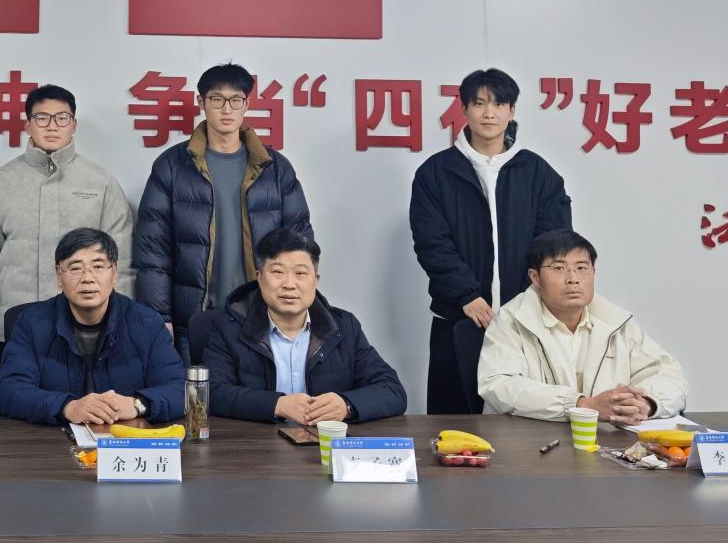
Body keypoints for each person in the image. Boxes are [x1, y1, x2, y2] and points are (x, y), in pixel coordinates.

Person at [409, 68, 572, 413]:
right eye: (479, 103)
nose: (489, 113)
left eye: (499, 104)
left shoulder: (537, 173)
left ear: (512, 111)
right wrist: (465, 294)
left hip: (524, 318)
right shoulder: (436, 172)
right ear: (464, 109)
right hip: (459, 316)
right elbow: (431, 242)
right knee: (453, 421)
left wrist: (530, 299)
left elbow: (554, 243)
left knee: (528, 417)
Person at [134, 63, 311, 363]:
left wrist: (292, 304)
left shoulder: (275, 168)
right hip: (193, 318)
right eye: (216, 99)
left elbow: (299, 242)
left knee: (258, 393)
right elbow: (153, 251)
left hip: (262, 314)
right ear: (201, 102)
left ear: (247, 104)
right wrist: (159, 316)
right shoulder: (172, 165)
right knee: (193, 393)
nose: (226, 109)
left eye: (235, 100)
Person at [0, 84, 134, 373]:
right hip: (14, 327)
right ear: (27, 124)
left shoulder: (100, 182)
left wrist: (119, 322)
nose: (52, 126)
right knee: (15, 398)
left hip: (87, 328)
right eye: (41, 118)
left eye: (62, 118)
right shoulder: (0, 182)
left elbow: (121, 261)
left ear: (74, 124)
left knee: (86, 400)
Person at [478, 229, 687, 422]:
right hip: (528, 441)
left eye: (581, 268)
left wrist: (645, 404)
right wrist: (581, 405)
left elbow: (669, 376)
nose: (573, 279)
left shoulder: (617, 323)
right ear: (535, 277)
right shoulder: (511, 320)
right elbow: (498, 385)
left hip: (605, 443)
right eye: (559, 268)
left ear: (593, 272)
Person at [205, 229, 406, 424]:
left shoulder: (344, 327)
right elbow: (210, 393)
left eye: (300, 273)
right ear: (259, 277)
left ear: (315, 280)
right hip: (256, 443)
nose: (289, 284)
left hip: (322, 440)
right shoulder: (229, 327)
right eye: (278, 272)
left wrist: (346, 405)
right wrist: (277, 405)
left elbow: (392, 390)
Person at [0, 228, 184, 425]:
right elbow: (9, 391)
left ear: (114, 273)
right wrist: (67, 407)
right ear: (59, 276)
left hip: (123, 438)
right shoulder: (31, 323)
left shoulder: (147, 323)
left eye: (98, 266)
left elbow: (180, 389)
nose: (87, 278)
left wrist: (137, 404)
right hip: (53, 439)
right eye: (76, 268)